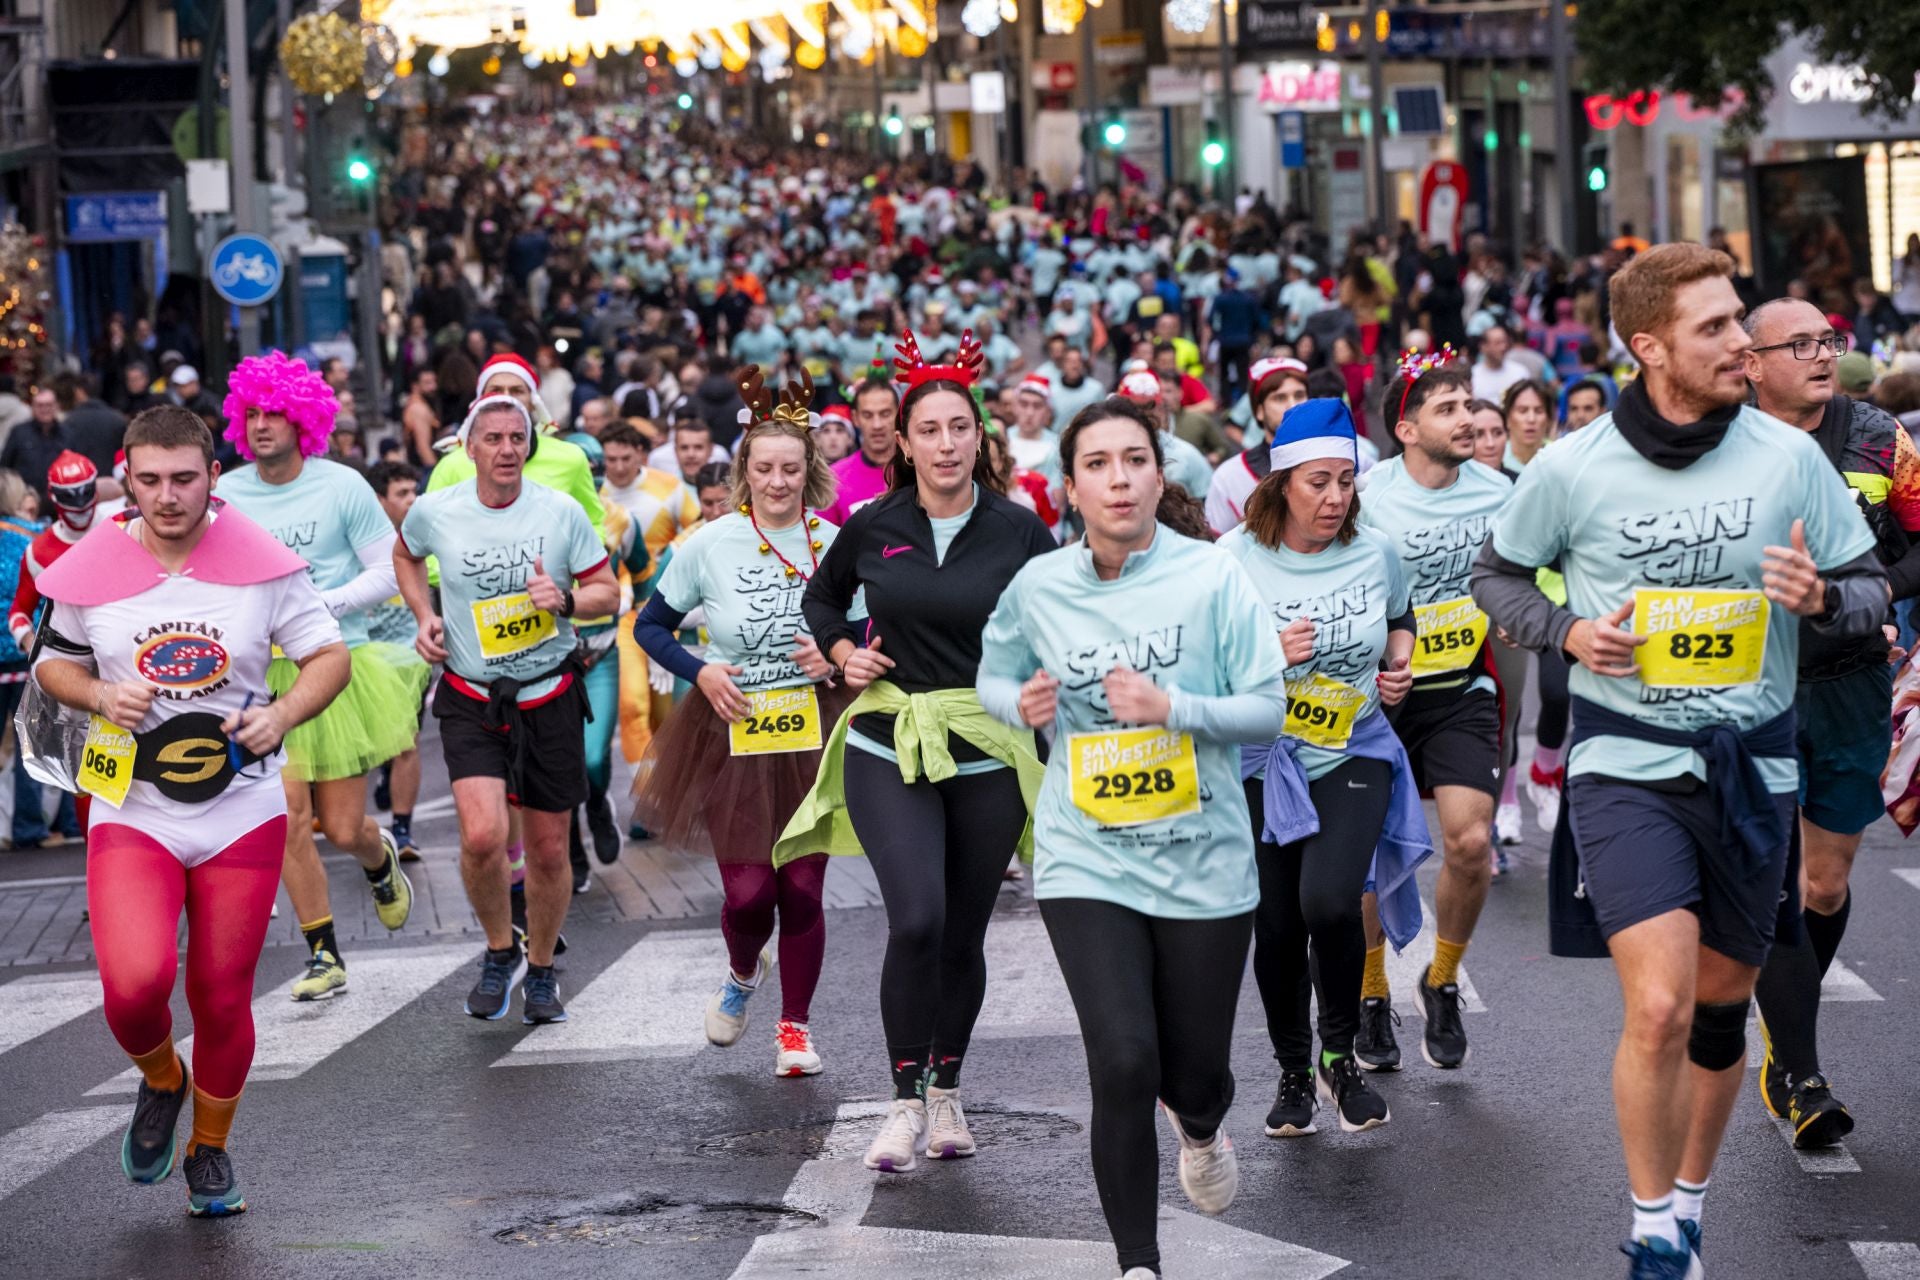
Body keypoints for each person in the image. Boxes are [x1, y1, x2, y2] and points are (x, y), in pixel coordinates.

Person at [1471, 243, 1885, 1278]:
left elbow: (1870, 584)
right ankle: (1653, 1227)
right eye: (1715, 327)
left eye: (1739, 318)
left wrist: (1824, 597)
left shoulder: (1790, 458)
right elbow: (1498, 578)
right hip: (1628, 759)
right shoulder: (1571, 467)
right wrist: (1566, 631)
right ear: (1649, 346)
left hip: (1754, 763)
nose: (1743, 341)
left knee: (1714, 1009)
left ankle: (1689, 1199)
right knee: (1654, 1004)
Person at [975, 397, 1289, 1277]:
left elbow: (1267, 707)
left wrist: (1171, 708)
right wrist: (1021, 704)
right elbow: (995, 674)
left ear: (1161, 475)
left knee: (1193, 1076)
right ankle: (1138, 1263)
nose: (1119, 478)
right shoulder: (1040, 586)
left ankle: (1200, 1123)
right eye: (1098, 464)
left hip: (1205, 859)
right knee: (1121, 1058)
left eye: (1135, 460)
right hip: (1088, 854)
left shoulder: (1213, 576)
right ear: (1070, 487)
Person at [32, 404, 351, 1216]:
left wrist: (281, 715)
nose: (168, 497)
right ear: (125, 481)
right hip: (132, 803)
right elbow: (51, 667)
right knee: (134, 985)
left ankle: (210, 1151)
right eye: (150, 481)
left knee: (219, 993)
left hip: (240, 806)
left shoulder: (263, 563)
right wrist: (102, 690)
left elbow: (329, 656)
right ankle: (161, 1080)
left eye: (184, 479)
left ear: (213, 476)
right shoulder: (90, 565)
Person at [773, 330, 1053, 1173]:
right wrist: (840, 652)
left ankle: (947, 1091)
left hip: (986, 741)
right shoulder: (873, 524)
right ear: (903, 438)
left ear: (979, 438)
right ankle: (900, 1103)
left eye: (957, 428)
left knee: (964, 934)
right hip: (886, 736)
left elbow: (1061, 621)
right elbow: (821, 599)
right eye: (925, 429)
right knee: (919, 919)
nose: (943, 443)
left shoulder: (1019, 531)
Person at [1220, 398, 1428, 1138]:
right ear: (1280, 485)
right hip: (1259, 758)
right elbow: (1196, 664)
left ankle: (1340, 1057)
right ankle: (1292, 1070)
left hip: (1353, 746)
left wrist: (1399, 662)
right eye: (1318, 482)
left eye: (1346, 481)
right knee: (1275, 926)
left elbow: (1401, 619)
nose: (1336, 497)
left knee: (1331, 902)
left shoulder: (1378, 551)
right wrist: (1264, 657)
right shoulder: (1232, 560)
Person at [632, 368, 849, 1078]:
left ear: (807, 470)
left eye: (791, 469)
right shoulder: (708, 543)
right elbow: (651, 626)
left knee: (804, 888)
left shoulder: (834, 541)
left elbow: (874, 620)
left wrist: (839, 652)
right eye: (765, 469)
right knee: (750, 893)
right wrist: (703, 670)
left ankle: (794, 1028)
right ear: (745, 472)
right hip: (733, 725)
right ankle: (740, 971)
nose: (779, 482)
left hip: (816, 726)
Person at [1743, 296, 1920, 1147]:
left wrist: (1874, 590)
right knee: (1774, 884)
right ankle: (1802, 1073)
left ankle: (1787, 1034)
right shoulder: (1719, 443)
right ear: (1752, 361)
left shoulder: (1881, 438)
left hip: (1852, 685)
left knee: (1824, 885)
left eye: (1830, 341)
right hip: (1752, 689)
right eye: (1800, 343)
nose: (1821, 355)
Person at [395, 394, 619, 1024]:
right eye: (491, 439)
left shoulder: (561, 512)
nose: (505, 450)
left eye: (516, 438)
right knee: (484, 835)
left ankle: (542, 969)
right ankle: (501, 950)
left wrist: (567, 598)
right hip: (472, 696)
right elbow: (405, 555)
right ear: (469, 449)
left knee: (549, 852)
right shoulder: (437, 511)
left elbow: (609, 591)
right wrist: (424, 615)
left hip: (549, 693)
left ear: (530, 444)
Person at [214, 352, 423, 1001]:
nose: (261, 425)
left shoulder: (342, 486)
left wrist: (314, 609)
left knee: (343, 827)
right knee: (288, 815)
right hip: (257, 678)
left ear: (302, 417)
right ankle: (323, 952)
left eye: (274, 412)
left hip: (332, 666)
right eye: (251, 413)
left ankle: (378, 857)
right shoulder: (227, 495)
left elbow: (389, 572)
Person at [1353, 353, 1512, 1073]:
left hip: (1459, 692)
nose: (1470, 419)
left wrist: (1514, 611)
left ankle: (1441, 977)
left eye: (1471, 405)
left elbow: (1526, 570)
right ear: (1406, 427)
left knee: (1471, 843)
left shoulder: (1500, 491)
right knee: (1360, 860)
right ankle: (1369, 993)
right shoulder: (1368, 496)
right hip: (1374, 699)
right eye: (1448, 409)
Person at [364, 461, 426, 860]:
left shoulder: (425, 534)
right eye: (402, 494)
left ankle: (402, 831)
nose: (412, 500)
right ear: (379, 500)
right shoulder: (358, 540)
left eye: (413, 491)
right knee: (376, 743)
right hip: (364, 657)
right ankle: (384, 769)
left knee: (406, 741)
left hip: (411, 656)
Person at [1204, 358, 1309, 534]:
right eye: (1279, 398)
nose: (1293, 406)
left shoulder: (1342, 462)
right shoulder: (1229, 477)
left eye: (1299, 395)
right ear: (1259, 410)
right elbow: (1216, 549)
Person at [819, 375, 900, 525]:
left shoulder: (920, 471)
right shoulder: (833, 479)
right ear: (855, 418)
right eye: (868, 415)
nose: (877, 425)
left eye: (885, 414)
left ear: (898, 415)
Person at [2, 386, 71, 504]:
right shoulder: (19, 433)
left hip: (59, 502)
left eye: (49, 405)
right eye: (40, 405)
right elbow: (5, 467)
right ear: (32, 408)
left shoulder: (67, 434)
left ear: (56, 406)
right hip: (24, 502)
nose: (45, 409)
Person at [1470, 323, 1529, 406]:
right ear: (1483, 346)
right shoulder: (1473, 376)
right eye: (1497, 343)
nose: (1503, 347)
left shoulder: (1520, 372)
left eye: (1504, 342)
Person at [1501, 378, 1554, 471]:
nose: (1531, 419)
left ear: (1549, 419)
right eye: (1522, 411)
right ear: (1507, 418)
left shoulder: (1558, 455)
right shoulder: (1495, 457)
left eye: (1539, 411)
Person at [1469, 399, 1509, 473]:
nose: (1490, 444)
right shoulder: (1447, 483)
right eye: (1478, 435)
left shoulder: (1521, 482)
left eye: (1498, 433)